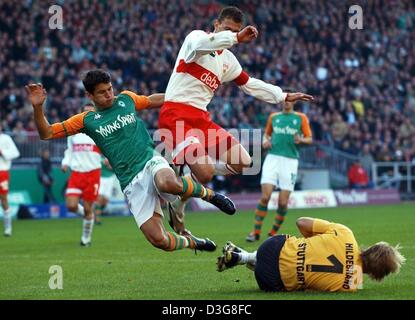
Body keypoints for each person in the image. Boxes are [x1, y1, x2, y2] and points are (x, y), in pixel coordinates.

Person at [25, 69, 235, 253]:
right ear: (89, 95)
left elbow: (153, 100)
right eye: (102, 92)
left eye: (110, 89)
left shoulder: (126, 99)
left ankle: (212, 196)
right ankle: (193, 243)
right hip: (130, 181)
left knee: (167, 182)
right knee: (159, 240)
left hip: (150, 161)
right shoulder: (85, 121)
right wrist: (37, 108)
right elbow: (47, 133)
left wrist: (184, 97)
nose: (109, 95)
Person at [159, 6, 314, 235]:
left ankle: (179, 199)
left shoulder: (228, 61)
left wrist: (282, 95)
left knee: (243, 161)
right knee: (205, 174)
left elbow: (249, 84)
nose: (232, 33)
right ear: (216, 25)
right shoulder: (196, 38)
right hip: (176, 115)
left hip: (201, 118)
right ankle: (186, 187)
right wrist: (235, 38)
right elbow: (205, 45)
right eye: (228, 29)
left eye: (236, 30)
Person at [217, 217, 406, 292]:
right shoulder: (351, 286)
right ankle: (244, 258)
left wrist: (309, 244)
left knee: (288, 247)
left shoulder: (346, 233)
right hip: (270, 281)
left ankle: (244, 257)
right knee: (297, 281)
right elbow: (309, 290)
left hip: (271, 247)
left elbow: (301, 222)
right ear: (377, 275)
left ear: (372, 248)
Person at [246, 95, 312, 242]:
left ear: (294, 102)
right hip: (272, 158)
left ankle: (272, 232)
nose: (287, 102)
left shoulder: (301, 118)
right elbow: (266, 135)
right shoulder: (274, 117)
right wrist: (265, 142)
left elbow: (309, 138)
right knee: (265, 197)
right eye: (284, 100)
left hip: (290, 161)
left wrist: (301, 140)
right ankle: (255, 232)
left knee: (282, 202)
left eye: (289, 100)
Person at [61, 104, 102, 246]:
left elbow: (107, 149)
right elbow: (69, 150)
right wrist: (65, 162)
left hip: (93, 173)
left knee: (88, 207)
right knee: (71, 205)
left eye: (90, 112)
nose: (88, 114)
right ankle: (87, 215)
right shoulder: (74, 132)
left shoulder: (100, 130)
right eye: (85, 112)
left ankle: (86, 239)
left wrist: (109, 159)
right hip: (77, 173)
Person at [0, 124, 20, 236]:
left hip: (2, 172)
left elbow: (16, 153)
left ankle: (8, 229)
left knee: (3, 199)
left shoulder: (6, 138)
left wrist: (2, 152)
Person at [95, 156, 118, 225]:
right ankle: (97, 219)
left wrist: (109, 165)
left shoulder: (112, 155)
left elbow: (116, 168)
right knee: (99, 199)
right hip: (100, 178)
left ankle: (95, 213)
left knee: (105, 201)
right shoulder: (98, 156)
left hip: (110, 179)